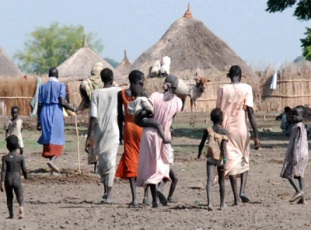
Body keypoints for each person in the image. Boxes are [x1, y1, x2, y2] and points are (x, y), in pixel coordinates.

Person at [136, 74, 182, 208]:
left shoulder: (155, 96)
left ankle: (154, 199)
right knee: (165, 163)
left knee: (151, 166)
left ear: (166, 84)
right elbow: (171, 118)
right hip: (165, 137)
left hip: (150, 133)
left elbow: (146, 113)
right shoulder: (178, 102)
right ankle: (160, 189)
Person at [216, 65, 259, 206]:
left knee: (231, 161)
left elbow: (218, 112)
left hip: (226, 130)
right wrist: (256, 135)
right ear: (240, 76)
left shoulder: (223, 89)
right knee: (243, 158)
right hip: (242, 129)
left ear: (229, 76)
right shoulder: (246, 88)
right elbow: (251, 113)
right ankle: (243, 190)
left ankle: (235, 199)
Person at [85, 68, 121, 204]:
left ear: (101, 79)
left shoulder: (96, 94)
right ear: (112, 78)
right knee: (110, 160)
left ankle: (106, 191)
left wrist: (89, 135)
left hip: (99, 130)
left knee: (102, 160)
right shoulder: (118, 91)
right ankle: (108, 193)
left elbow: (93, 117)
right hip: (113, 129)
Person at [115, 70, 147, 208]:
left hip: (128, 128)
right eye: (142, 80)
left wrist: (120, 133)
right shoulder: (144, 93)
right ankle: (146, 196)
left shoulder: (121, 94)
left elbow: (120, 116)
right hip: (141, 127)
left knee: (130, 158)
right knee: (145, 159)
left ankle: (134, 199)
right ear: (137, 81)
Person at [37, 67, 77, 173]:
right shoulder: (61, 86)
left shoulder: (42, 87)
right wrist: (72, 108)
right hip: (55, 112)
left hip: (44, 112)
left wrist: (38, 121)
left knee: (49, 137)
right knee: (58, 137)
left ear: (49, 75)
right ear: (57, 75)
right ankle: (53, 161)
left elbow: (39, 105)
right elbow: (62, 102)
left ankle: (51, 166)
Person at [198, 108, 228, 211]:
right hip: (220, 158)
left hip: (210, 157)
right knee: (221, 181)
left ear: (211, 119)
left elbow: (201, 143)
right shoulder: (224, 132)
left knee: (209, 180)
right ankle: (222, 204)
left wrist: (199, 153)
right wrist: (225, 160)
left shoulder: (208, 130)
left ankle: (210, 203)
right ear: (222, 119)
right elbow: (223, 148)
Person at [78, 62, 105, 173]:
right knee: (103, 137)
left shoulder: (87, 83)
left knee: (93, 137)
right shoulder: (107, 82)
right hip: (105, 113)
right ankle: (102, 164)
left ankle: (95, 165)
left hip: (93, 113)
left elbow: (83, 91)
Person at [280, 106, 308, 204]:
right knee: (300, 175)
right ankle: (302, 199)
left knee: (288, 174)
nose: (294, 117)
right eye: (294, 115)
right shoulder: (302, 126)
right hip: (304, 153)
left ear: (303, 117)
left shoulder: (298, 127)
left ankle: (298, 191)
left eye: (297, 115)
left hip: (297, 153)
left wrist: (295, 157)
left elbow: (296, 142)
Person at [1, 135, 28, 219]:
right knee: (20, 195)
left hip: (8, 180)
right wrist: (26, 176)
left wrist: (1, 181)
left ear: (7, 146)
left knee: (9, 197)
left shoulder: (5, 158)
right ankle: (21, 208)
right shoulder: (20, 157)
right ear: (17, 146)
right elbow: (24, 169)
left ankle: (11, 214)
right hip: (17, 179)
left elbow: (3, 170)